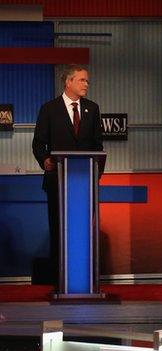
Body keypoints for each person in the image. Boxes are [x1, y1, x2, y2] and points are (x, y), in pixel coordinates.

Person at [31, 64, 103, 282]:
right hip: (57, 182)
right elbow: (38, 143)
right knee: (59, 230)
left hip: (84, 182)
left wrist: (95, 174)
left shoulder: (92, 108)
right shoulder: (49, 109)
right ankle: (59, 280)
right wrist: (45, 161)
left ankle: (83, 278)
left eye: (87, 81)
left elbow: (98, 146)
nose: (86, 84)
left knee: (82, 232)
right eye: (82, 80)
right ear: (68, 82)